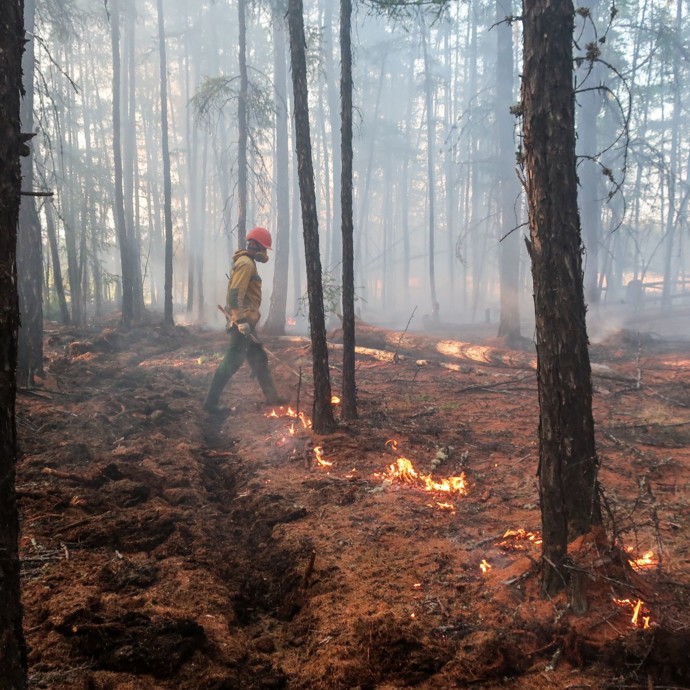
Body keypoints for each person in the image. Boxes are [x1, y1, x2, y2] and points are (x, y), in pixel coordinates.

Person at [203, 227, 286, 413]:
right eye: (263, 248)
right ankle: (210, 403)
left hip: (246, 323)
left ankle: (272, 398)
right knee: (232, 362)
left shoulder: (247, 262)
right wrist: (240, 321)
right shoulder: (246, 264)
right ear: (256, 245)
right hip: (241, 324)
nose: (264, 253)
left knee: (260, 358)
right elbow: (234, 296)